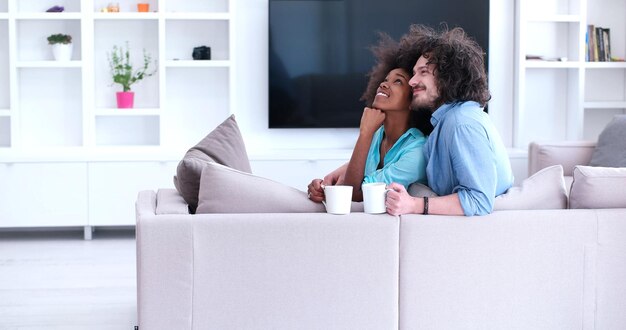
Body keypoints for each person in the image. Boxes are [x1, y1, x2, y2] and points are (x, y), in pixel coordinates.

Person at [310, 24, 514, 216]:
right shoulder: (443, 124)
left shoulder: (462, 123)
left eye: (423, 72)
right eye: (413, 73)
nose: (413, 81)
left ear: (449, 76)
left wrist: (414, 204)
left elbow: (479, 200)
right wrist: (341, 172)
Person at [308, 33, 432, 202]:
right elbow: (349, 182)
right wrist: (322, 188)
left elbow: (356, 194)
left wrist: (364, 133)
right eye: (386, 79)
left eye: (398, 82)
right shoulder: (378, 135)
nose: (383, 84)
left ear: (413, 99)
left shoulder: (417, 151)